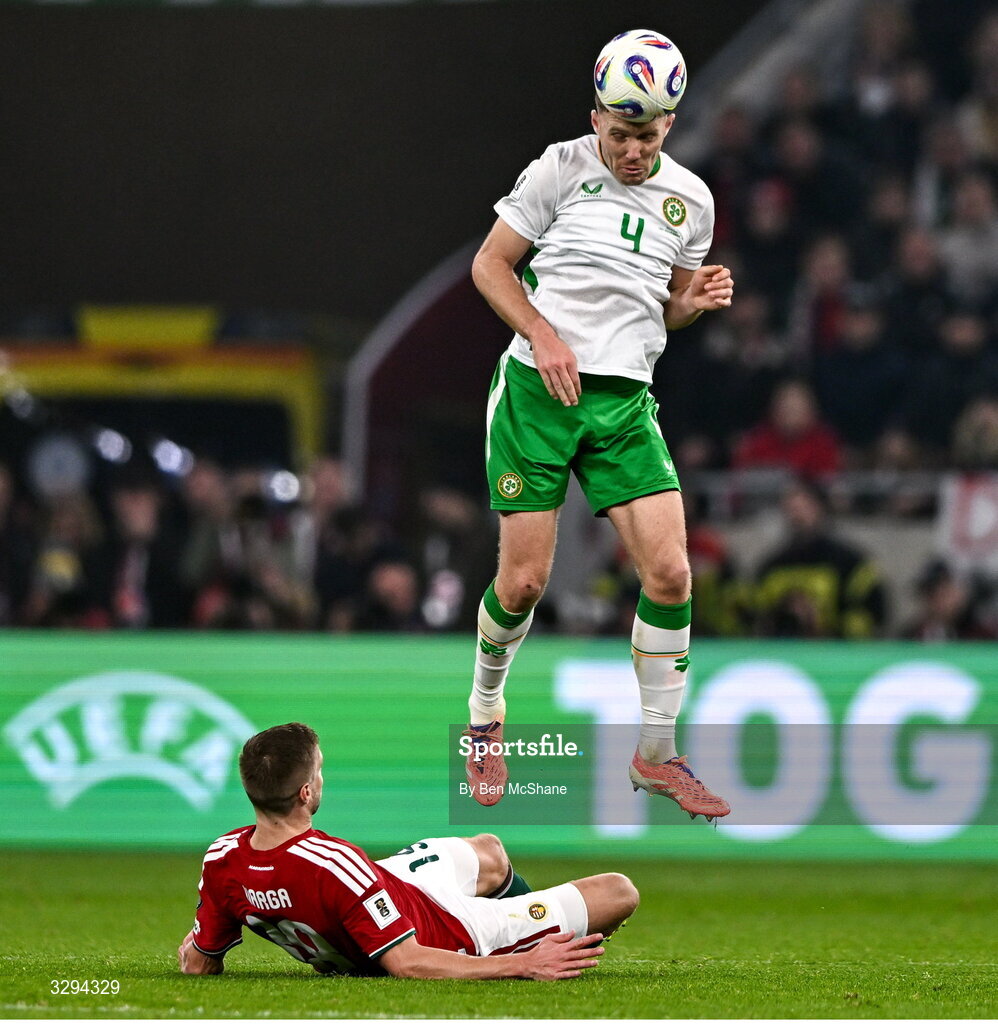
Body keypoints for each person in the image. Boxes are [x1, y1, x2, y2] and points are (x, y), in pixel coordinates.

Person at [461, 29, 733, 819]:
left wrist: (693, 304)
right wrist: (543, 334)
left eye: (645, 136)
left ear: (669, 127)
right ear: (595, 119)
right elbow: (490, 265)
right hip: (537, 394)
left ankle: (655, 756)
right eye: (617, 134)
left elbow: (666, 309)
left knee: (673, 576)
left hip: (622, 404)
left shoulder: (693, 201)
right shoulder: (560, 167)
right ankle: (484, 716)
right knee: (524, 583)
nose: (630, 151)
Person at [177, 723, 637, 981]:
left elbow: (200, 963)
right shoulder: (335, 864)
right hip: (447, 931)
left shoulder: (223, 859)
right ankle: (524, 935)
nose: (322, 778)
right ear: (305, 792)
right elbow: (407, 962)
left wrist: (198, 953)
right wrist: (523, 964)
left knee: (489, 850)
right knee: (619, 892)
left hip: (391, 883)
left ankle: (524, 911)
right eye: (319, 772)